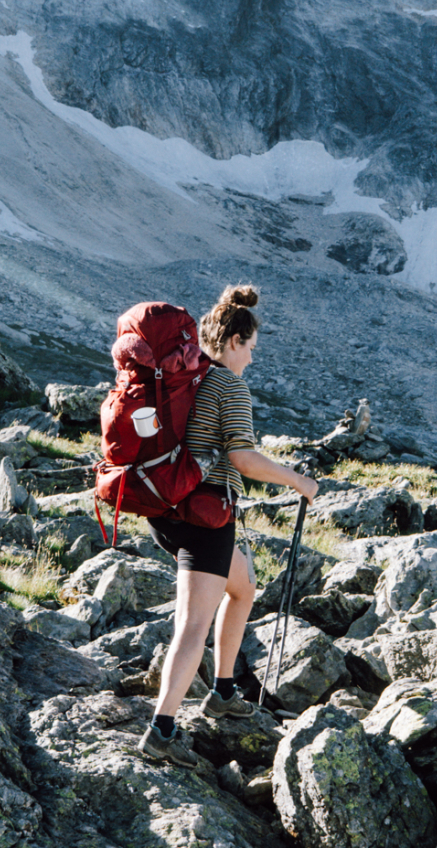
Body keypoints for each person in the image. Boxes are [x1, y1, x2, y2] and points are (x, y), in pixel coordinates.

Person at [137, 284, 321, 768]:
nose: (252, 360)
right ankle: (161, 729)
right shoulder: (229, 386)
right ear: (235, 341)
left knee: (243, 586)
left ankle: (222, 690)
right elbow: (241, 456)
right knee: (193, 623)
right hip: (204, 516)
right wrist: (297, 480)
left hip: (166, 511)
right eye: (252, 349)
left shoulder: (189, 377)